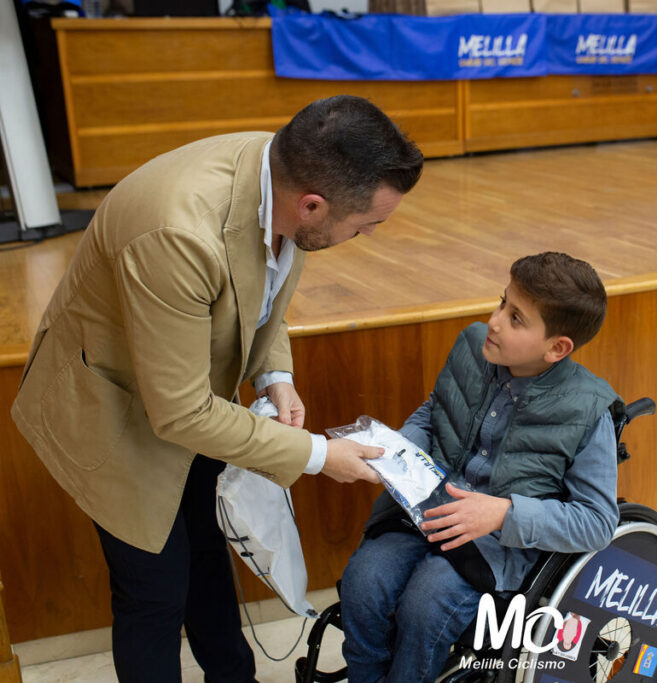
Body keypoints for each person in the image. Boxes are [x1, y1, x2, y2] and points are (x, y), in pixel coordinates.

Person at [10, 95, 423, 682]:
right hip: (109, 403)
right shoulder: (177, 232)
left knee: (206, 550)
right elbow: (178, 413)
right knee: (153, 589)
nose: (365, 236)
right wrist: (319, 457)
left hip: (192, 390)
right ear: (312, 205)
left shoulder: (283, 170)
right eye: (365, 226)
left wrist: (275, 375)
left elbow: (261, 286)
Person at [339, 252, 624, 683]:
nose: (493, 321)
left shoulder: (589, 411)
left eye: (515, 319)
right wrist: (396, 452)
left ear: (557, 347)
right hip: (425, 508)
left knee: (425, 604)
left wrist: (502, 513)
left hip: (496, 543)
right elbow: (434, 412)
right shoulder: (473, 346)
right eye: (501, 303)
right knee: (363, 581)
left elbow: (598, 522)